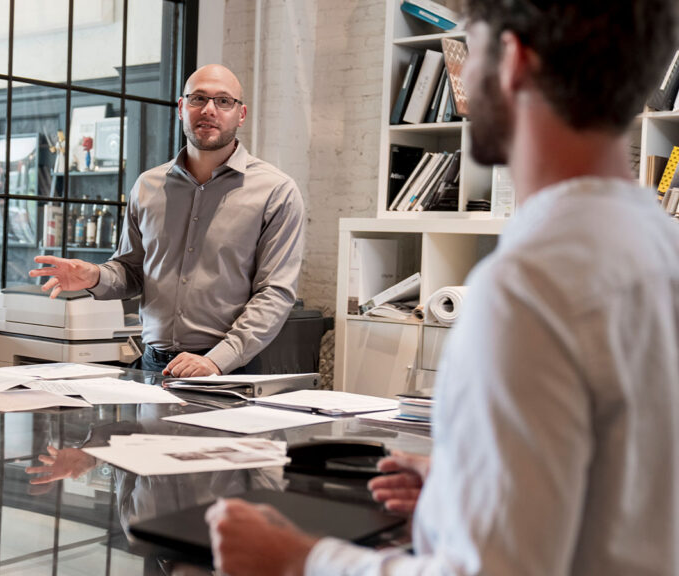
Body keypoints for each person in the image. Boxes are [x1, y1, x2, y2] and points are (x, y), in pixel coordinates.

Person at [205, 1, 679, 574]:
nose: (460, 79)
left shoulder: (529, 289)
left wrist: (298, 558)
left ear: (513, 62)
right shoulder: (658, 245)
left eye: (468, 45)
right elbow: (625, 483)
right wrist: (465, 489)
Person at [29, 64, 305, 378]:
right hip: (152, 366)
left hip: (227, 371)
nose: (209, 109)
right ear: (181, 108)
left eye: (223, 101)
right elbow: (132, 271)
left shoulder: (276, 191)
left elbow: (274, 293)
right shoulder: (147, 186)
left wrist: (217, 361)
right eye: (198, 98)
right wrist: (94, 275)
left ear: (240, 114)